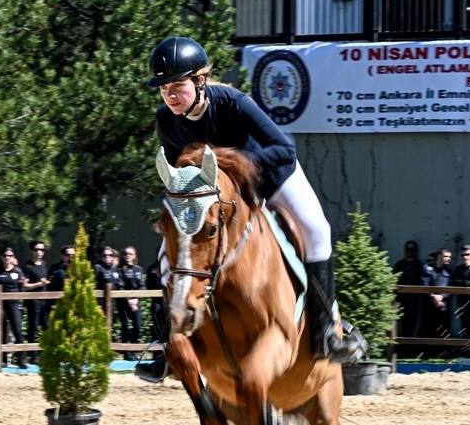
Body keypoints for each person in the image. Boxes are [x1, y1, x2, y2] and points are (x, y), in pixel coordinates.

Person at [137, 35, 365, 381]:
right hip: (219, 198)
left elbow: (283, 148)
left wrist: (237, 163)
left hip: (272, 178)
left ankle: (326, 334)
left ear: (200, 81)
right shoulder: (167, 121)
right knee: (168, 256)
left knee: (318, 232)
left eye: (177, 86)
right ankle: (169, 345)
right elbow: (179, 175)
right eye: (164, 88)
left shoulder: (231, 102)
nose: (170, 95)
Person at [0, 247, 27, 368]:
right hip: (0, 306)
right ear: (2, 257)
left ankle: (21, 360)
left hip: (14, 304)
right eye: (5, 255)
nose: (7, 258)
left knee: (17, 330)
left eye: (10, 255)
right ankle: (1, 360)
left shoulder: (18, 271)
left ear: (13, 257)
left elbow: (23, 286)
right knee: (0, 331)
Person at [392, 240, 431, 338]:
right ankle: (398, 347)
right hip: (400, 299)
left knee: (411, 323)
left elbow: (423, 282)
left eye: (411, 249)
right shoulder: (399, 265)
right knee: (397, 324)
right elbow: (393, 279)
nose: (409, 251)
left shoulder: (419, 265)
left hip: (413, 300)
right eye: (407, 249)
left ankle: (408, 347)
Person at [21, 241, 50, 353]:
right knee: (33, 327)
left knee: (46, 326)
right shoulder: (28, 267)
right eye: (36, 250)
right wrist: (38, 284)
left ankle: (46, 352)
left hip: (44, 300)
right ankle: (33, 355)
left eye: (42, 250)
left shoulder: (44, 264)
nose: (39, 252)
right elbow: (24, 285)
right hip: (33, 301)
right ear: (31, 251)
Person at [118, 246, 145, 344]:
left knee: (138, 326)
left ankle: (133, 349)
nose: (128, 256)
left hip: (135, 302)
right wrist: (128, 300)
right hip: (124, 302)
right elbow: (120, 286)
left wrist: (136, 300)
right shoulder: (119, 269)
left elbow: (142, 286)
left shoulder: (139, 269)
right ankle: (126, 352)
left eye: (130, 254)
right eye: (125, 254)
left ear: (135, 256)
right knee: (125, 326)